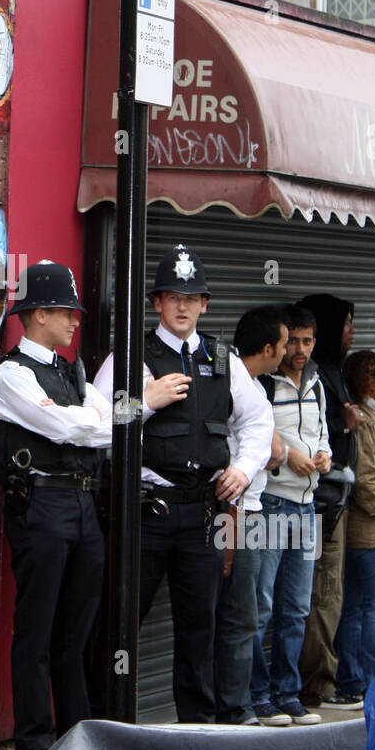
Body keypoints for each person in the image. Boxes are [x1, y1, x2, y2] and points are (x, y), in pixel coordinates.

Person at [93, 245, 272, 722]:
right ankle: (108, 725)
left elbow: (258, 420)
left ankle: (198, 732)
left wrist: (244, 467)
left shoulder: (223, 358)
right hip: (148, 512)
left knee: (201, 629)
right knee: (121, 623)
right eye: (172, 296)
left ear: (205, 305)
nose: (182, 306)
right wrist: (146, 402)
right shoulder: (131, 355)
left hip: (203, 515)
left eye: (192, 298)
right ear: (156, 303)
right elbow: (94, 421)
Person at [0, 259, 112, 750]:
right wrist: (89, 420)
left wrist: (90, 420)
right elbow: (69, 428)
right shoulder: (10, 374)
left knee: (76, 628)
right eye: (66, 311)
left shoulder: (74, 369)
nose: (75, 321)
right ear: (37, 315)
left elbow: (108, 419)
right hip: (41, 503)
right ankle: (34, 740)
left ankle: (76, 733)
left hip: (83, 502)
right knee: (36, 627)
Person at [251, 305, 332, 726]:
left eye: (307, 341)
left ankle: (288, 693)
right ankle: (258, 697)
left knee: (296, 609)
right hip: (271, 506)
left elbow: (324, 435)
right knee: (261, 606)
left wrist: (323, 457)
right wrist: (286, 461)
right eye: (293, 341)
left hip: (307, 508)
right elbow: (252, 437)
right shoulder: (264, 384)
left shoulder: (317, 384)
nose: (299, 349)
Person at [213, 306, 286, 725]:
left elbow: (273, 452)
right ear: (267, 348)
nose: (288, 350)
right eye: (283, 343)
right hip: (237, 512)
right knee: (241, 616)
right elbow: (273, 452)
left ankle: (236, 704)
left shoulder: (255, 386)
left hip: (248, 511)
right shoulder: (239, 384)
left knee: (246, 613)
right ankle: (236, 709)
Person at [296, 293, 364, 706]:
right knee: (319, 598)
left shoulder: (333, 373)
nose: (351, 333)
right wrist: (344, 423)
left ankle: (323, 681)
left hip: (333, 505)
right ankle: (316, 687)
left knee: (328, 597)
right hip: (316, 505)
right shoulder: (316, 377)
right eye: (346, 325)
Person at [330, 350, 375, 708]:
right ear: (365, 382)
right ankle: (374, 684)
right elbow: (371, 483)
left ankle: (352, 683)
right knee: (374, 608)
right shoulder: (362, 421)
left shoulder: (367, 418)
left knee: (357, 608)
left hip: (366, 533)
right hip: (372, 534)